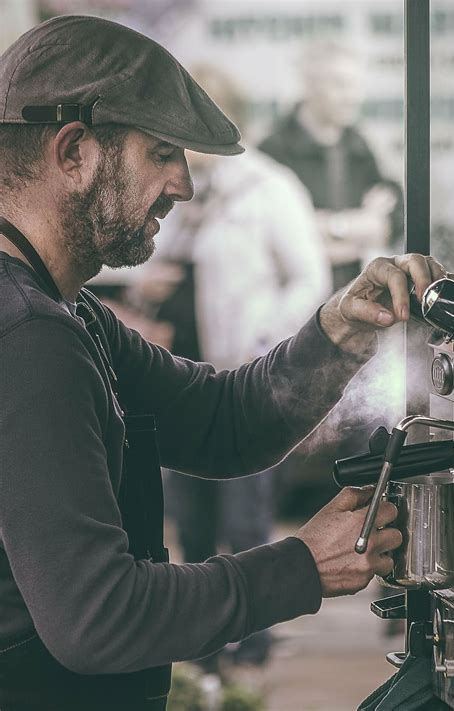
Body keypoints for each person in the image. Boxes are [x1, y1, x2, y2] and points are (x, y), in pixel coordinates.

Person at [0, 15, 445, 711]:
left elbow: (222, 421)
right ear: (74, 151)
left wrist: (340, 330)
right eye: (161, 152)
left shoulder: (70, 315)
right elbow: (98, 617)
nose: (185, 184)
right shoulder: (27, 335)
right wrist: (300, 565)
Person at [140, 63, 331, 670]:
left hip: (241, 380)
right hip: (180, 379)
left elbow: (311, 277)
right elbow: (153, 261)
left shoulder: (271, 189)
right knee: (190, 525)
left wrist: (262, 334)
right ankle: (205, 651)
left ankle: (254, 646)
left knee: (246, 521)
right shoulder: (185, 195)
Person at [259, 39, 404, 291]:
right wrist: (356, 226)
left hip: (355, 299)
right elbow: (274, 238)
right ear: (309, 85)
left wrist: (327, 228)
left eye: (356, 85)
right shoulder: (273, 150)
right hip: (292, 310)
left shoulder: (360, 147)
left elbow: (393, 222)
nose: (353, 96)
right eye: (340, 84)